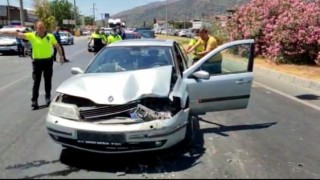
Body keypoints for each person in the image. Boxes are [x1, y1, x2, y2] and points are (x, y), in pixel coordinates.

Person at [0, 21, 65, 110]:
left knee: (48, 81)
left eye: (43, 28)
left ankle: (48, 98)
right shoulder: (32, 35)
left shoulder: (50, 36)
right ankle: (34, 101)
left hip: (48, 62)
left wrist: (61, 56)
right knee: (36, 82)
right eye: (39, 28)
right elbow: (17, 34)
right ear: (36, 29)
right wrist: (2, 32)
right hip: (37, 62)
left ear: (45, 28)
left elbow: (57, 46)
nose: (42, 30)